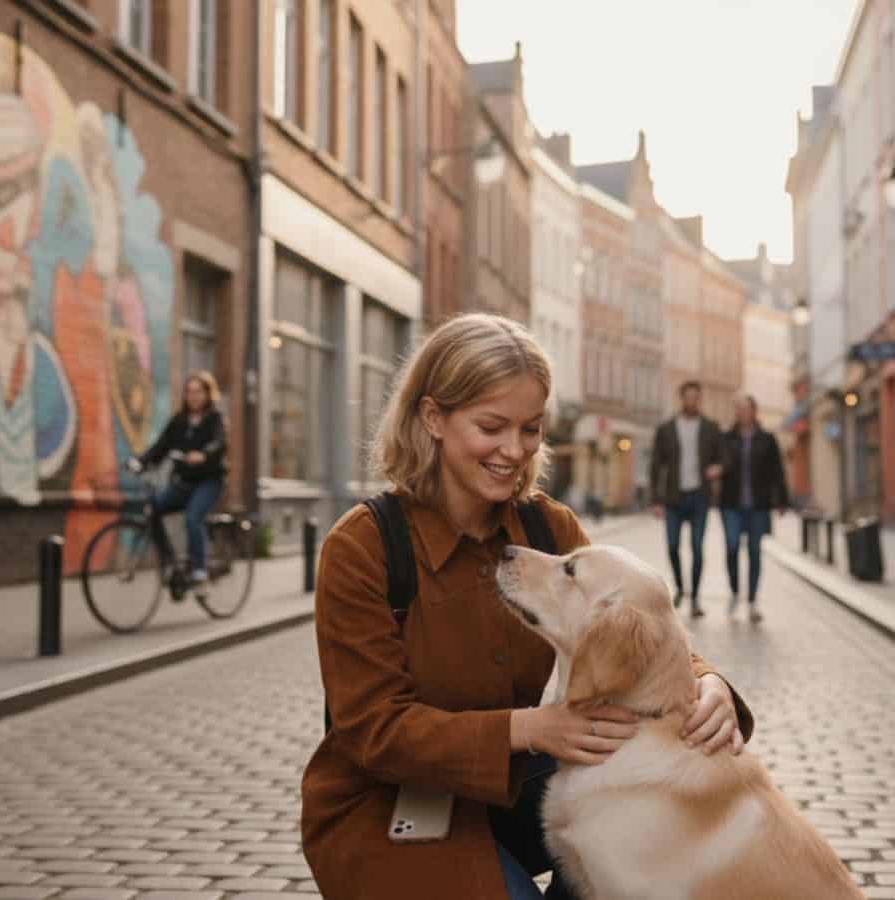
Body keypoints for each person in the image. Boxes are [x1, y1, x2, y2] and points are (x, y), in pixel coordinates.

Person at [301, 314, 753, 900]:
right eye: (491, 427)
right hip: (386, 805)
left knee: (662, 801)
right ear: (433, 417)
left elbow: (634, 627)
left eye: (531, 429)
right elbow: (372, 733)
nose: (514, 451)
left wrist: (709, 684)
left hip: (504, 786)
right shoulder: (362, 547)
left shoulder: (546, 525)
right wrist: (533, 727)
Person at [127, 371, 228, 585]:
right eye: (189, 392)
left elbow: (219, 442)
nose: (193, 396)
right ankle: (169, 561)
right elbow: (161, 445)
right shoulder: (179, 420)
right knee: (153, 510)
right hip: (183, 483)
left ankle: (200, 572)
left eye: (198, 391)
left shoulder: (215, 418)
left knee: (193, 518)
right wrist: (140, 462)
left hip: (208, 482)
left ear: (207, 394)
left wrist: (204, 454)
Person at [648, 381, 723, 617]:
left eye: (696, 397)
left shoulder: (711, 427)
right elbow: (656, 465)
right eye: (688, 397)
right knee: (672, 546)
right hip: (673, 497)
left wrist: (717, 468)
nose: (692, 401)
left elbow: (723, 457)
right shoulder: (667, 428)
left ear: (700, 400)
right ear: (682, 399)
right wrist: (656, 500)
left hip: (700, 496)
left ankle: (696, 599)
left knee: (698, 548)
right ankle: (681, 588)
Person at [719, 395, 789, 623]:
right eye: (738, 409)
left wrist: (781, 501)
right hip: (731, 504)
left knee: (755, 552)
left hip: (758, 505)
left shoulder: (767, 439)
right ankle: (734, 593)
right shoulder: (726, 439)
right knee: (731, 548)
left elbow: (777, 471)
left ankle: (752, 601)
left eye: (746, 408)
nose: (742, 412)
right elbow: (717, 464)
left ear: (754, 411)